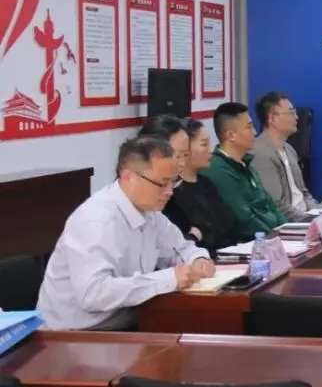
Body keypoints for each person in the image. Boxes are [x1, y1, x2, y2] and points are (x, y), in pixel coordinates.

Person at [36, 136, 215, 331]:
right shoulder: (97, 220)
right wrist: (168, 279)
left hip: (127, 324)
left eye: (173, 182)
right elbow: (93, 294)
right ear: (128, 177)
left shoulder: (151, 212)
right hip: (74, 335)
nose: (169, 192)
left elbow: (180, 248)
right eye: (162, 183)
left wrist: (198, 260)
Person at [162, 118, 247, 258]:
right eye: (204, 144)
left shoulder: (207, 183)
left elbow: (230, 226)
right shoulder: (172, 195)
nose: (210, 151)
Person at [202, 102, 287, 236]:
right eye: (249, 127)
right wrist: (276, 236)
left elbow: (271, 205)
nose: (254, 132)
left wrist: (288, 230)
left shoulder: (246, 164)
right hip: (253, 241)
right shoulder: (218, 170)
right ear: (231, 135)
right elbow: (244, 219)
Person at [250, 91, 318, 220]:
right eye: (291, 113)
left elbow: (304, 193)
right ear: (273, 118)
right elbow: (275, 204)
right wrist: (307, 219)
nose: (296, 117)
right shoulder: (260, 153)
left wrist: (319, 213)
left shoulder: (290, 150)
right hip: (289, 222)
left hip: (306, 218)